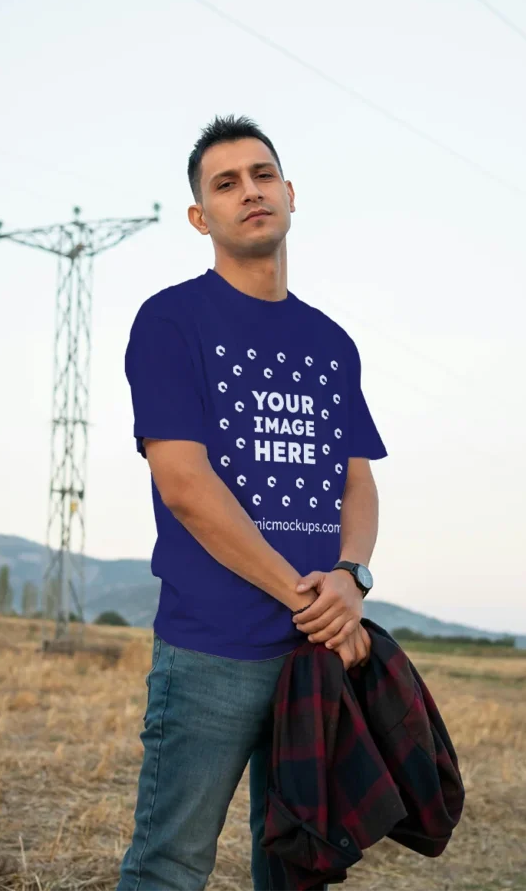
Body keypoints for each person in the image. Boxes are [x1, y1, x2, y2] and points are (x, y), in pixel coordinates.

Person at [117, 115, 388, 891]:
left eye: (262, 175)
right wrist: (311, 599)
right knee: (169, 867)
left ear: (291, 194)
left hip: (313, 659)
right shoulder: (172, 320)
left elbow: (356, 479)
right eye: (226, 183)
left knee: (299, 868)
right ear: (202, 217)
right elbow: (185, 485)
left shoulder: (331, 343)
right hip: (212, 652)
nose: (250, 192)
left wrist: (352, 577)